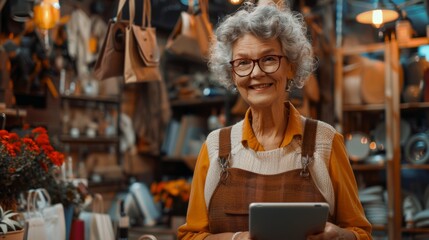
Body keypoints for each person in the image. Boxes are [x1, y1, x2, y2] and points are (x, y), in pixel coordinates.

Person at [177, 1, 372, 239]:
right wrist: (237, 238)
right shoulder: (215, 147)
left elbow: (361, 233)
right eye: (243, 63)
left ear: (290, 66)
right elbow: (189, 236)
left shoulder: (325, 141)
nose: (256, 73)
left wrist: (342, 236)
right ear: (232, 74)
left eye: (269, 59)